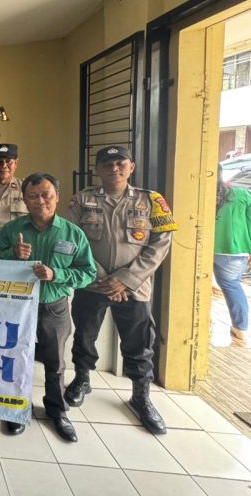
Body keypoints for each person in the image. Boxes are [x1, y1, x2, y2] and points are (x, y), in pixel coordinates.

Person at [63, 145, 176, 435]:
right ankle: (82, 379)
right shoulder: (81, 200)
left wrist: (125, 279)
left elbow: (161, 244)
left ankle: (141, 396)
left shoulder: (152, 201)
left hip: (135, 288)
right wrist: (104, 278)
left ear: (131, 167)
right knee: (85, 333)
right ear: (98, 169)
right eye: (107, 164)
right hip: (92, 283)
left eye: (120, 163)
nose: (114, 168)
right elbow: (72, 240)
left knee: (139, 342)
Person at [0, 172, 96, 442]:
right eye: (33, 196)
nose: (41, 201)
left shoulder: (73, 234)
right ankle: (17, 408)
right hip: (16, 308)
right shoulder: (11, 231)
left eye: (46, 195)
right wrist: (12, 256)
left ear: (57, 197)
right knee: (16, 360)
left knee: (55, 363)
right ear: (24, 199)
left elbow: (88, 273)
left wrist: (57, 275)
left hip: (54, 307)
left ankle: (57, 410)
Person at [213, 179, 251, 347]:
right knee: (232, 286)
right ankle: (240, 328)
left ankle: (201, 322)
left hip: (203, 246)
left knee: (198, 285)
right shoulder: (242, 194)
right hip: (235, 249)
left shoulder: (205, 193)